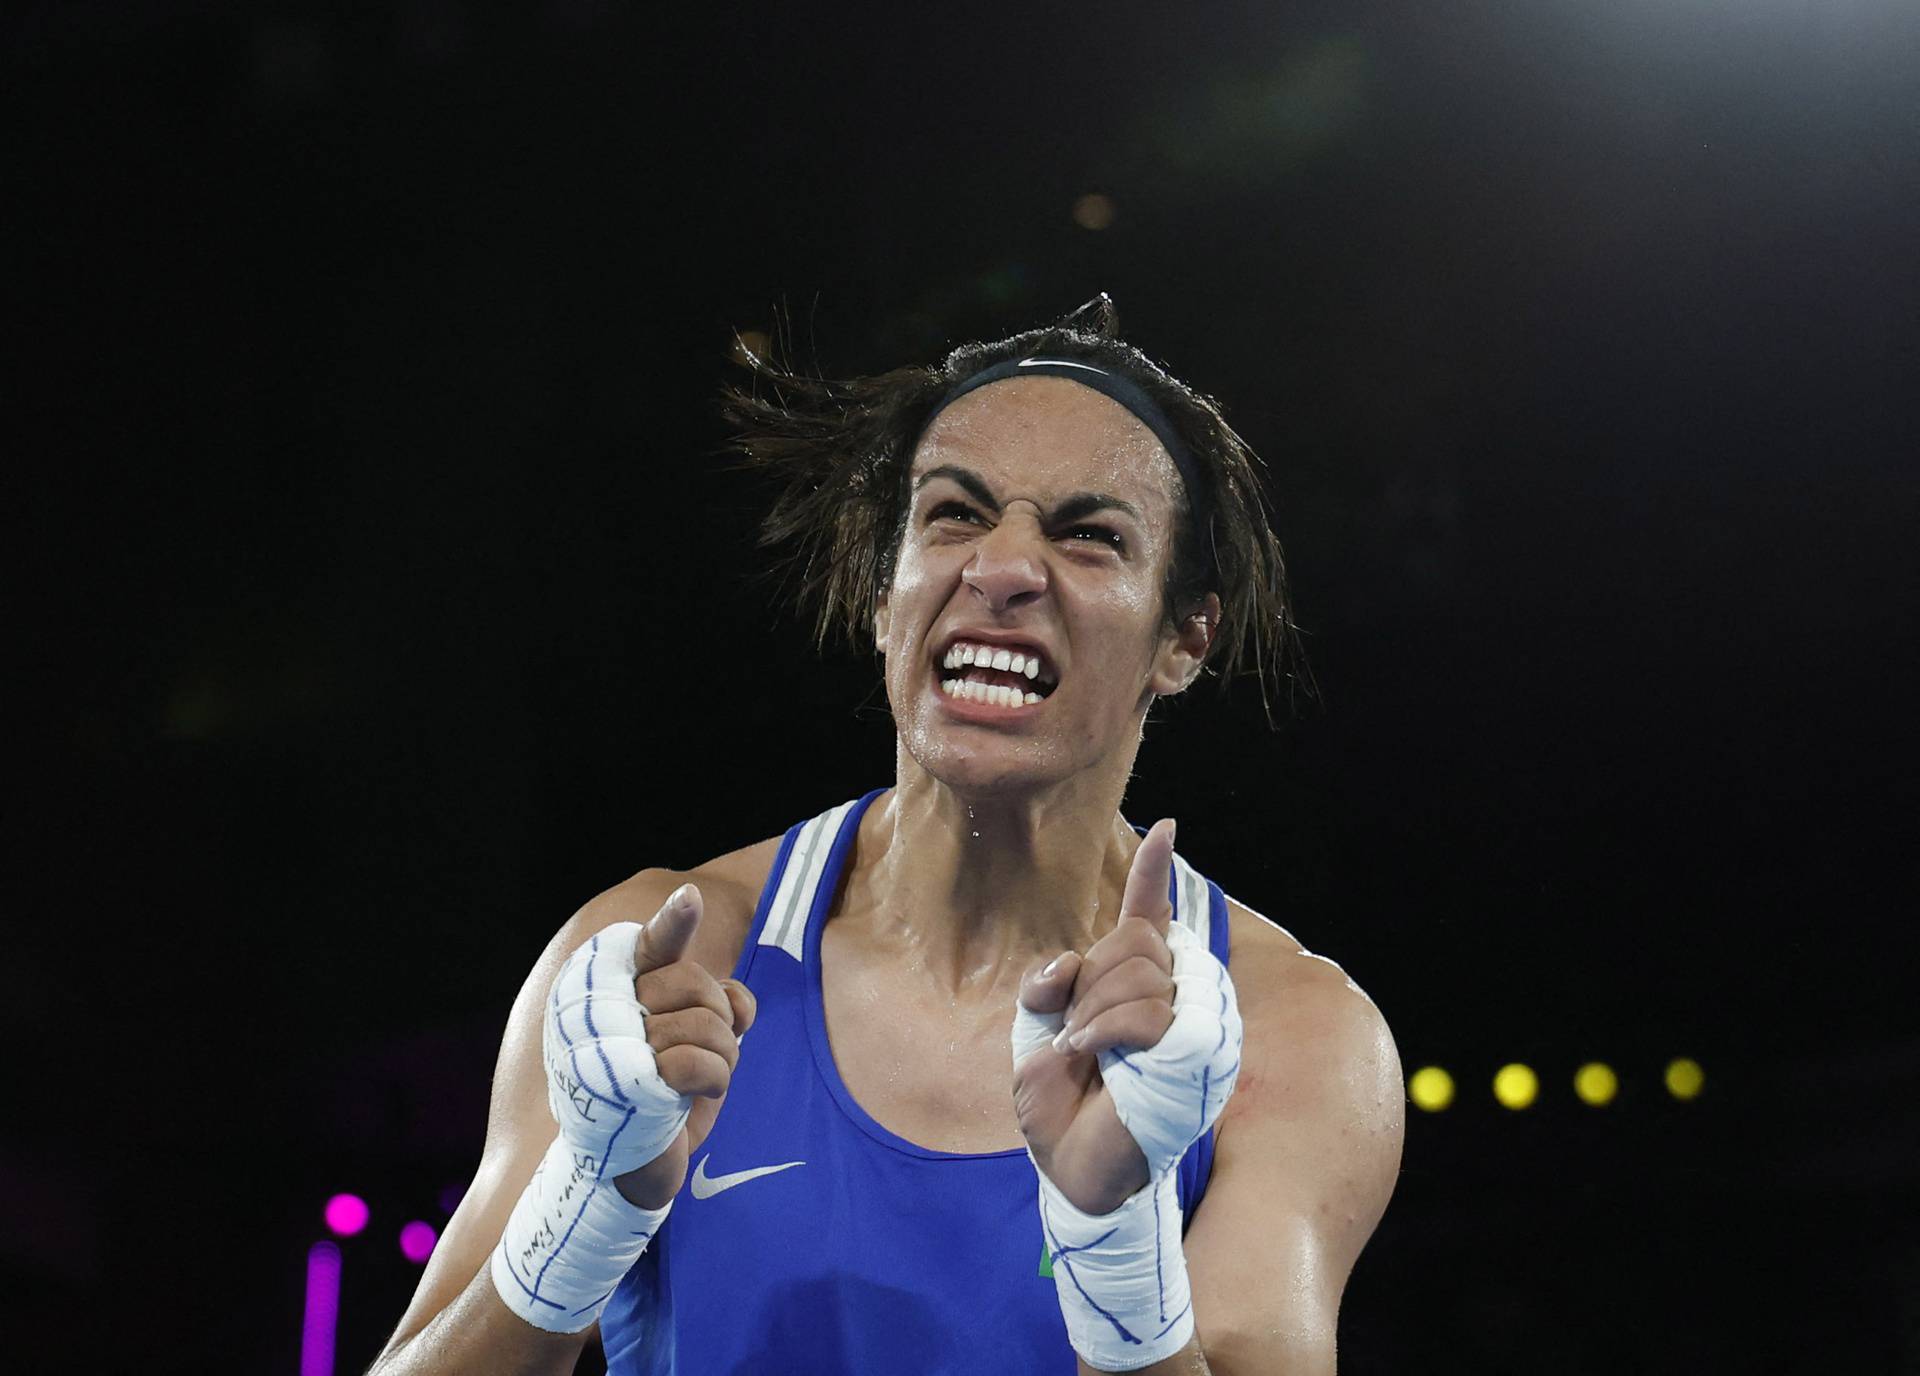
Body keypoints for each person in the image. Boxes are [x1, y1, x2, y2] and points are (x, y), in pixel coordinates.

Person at [368, 297, 1404, 1375]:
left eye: (1089, 533)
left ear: (1185, 636)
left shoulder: (1292, 1035)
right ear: (881, 591)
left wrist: (1114, 1241)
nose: (1002, 567)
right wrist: (585, 1211)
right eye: (954, 513)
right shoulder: (661, 960)